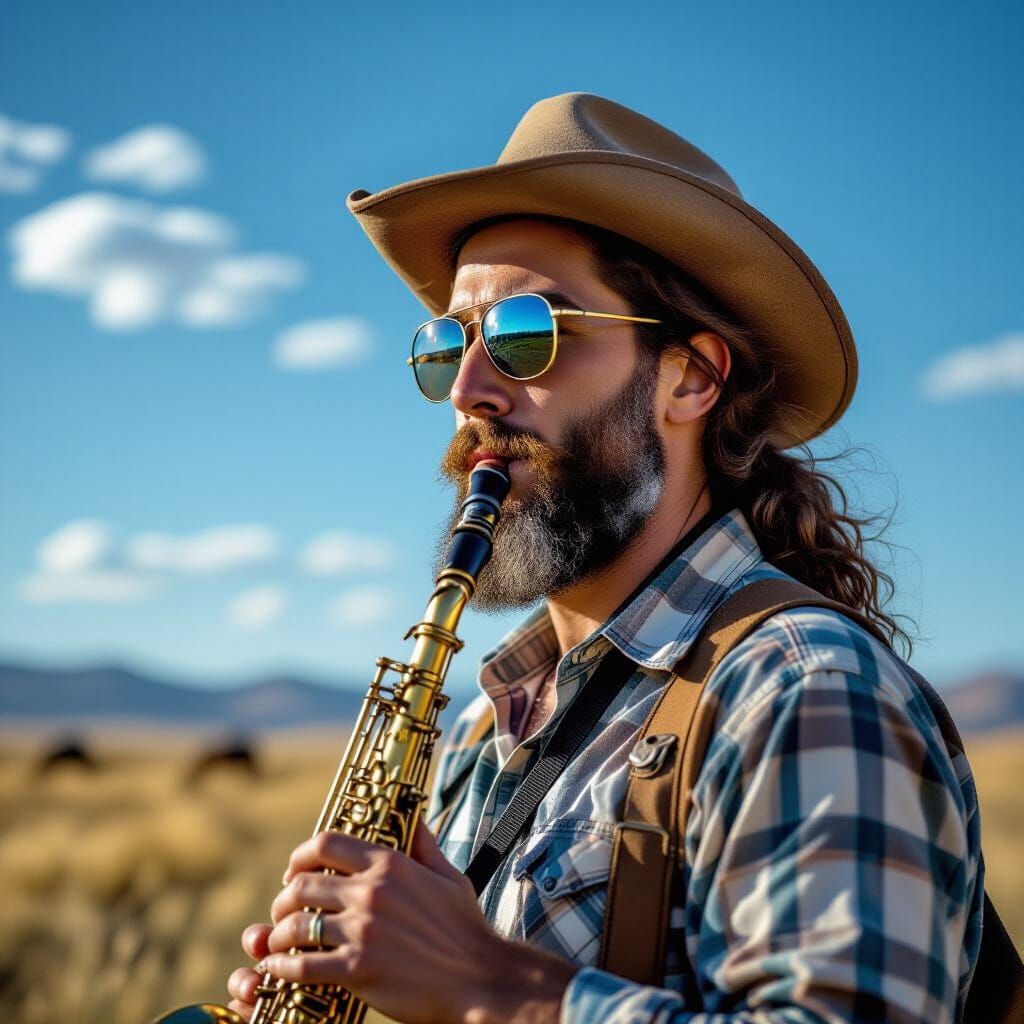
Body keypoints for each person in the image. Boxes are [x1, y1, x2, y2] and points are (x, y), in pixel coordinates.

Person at [226, 94, 983, 1024]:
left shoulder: (803, 689)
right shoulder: (479, 729)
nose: (468, 391)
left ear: (691, 378)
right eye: (448, 345)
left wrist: (489, 986)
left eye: (524, 334)